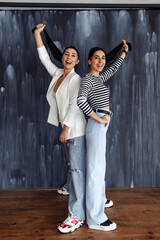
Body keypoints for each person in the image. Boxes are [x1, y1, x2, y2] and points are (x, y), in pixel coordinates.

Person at [34, 24, 86, 233]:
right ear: (62, 58)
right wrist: (38, 34)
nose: (68, 57)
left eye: (73, 55)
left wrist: (65, 129)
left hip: (75, 130)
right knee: (72, 167)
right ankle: (71, 188)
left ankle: (77, 216)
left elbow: (74, 105)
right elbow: (44, 57)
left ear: (77, 61)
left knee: (76, 170)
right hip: (68, 128)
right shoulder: (57, 74)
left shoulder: (76, 79)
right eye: (66, 54)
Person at [77, 40, 129, 231]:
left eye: (103, 58)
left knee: (99, 170)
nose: (100, 61)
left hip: (101, 124)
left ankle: (98, 207)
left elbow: (113, 69)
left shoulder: (98, 78)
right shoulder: (88, 79)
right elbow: (81, 100)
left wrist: (123, 52)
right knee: (95, 173)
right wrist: (98, 119)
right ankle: (95, 218)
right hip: (97, 124)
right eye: (96, 58)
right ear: (89, 61)